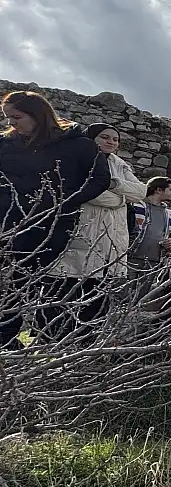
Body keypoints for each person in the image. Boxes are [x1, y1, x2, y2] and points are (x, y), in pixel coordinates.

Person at [0, 92, 111, 348]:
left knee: (20, 284)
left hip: (48, 228)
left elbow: (99, 179)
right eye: (8, 118)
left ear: (38, 115)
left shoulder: (79, 145)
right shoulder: (5, 143)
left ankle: (8, 341)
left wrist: (65, 203)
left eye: (17, 117)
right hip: (5, 221)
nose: (11, 123)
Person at [48, 123, 148, 326]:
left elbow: (140, 191)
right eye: (105, 137)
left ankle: (89, 340)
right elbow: (90, 193)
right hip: (84, 235)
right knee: (68, 294)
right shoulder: (79, 159)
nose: (111, 142)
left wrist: (112, 183)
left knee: (98, 300)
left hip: (111, 239)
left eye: (115, 139)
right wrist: (121, 198)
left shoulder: (119, 164)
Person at [128, 176, 171, 297]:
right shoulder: (135, 207)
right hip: (130, 259)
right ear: (158, 190)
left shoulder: (169, 214)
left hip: (152, 262)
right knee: (122, 294)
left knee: (141, 297)